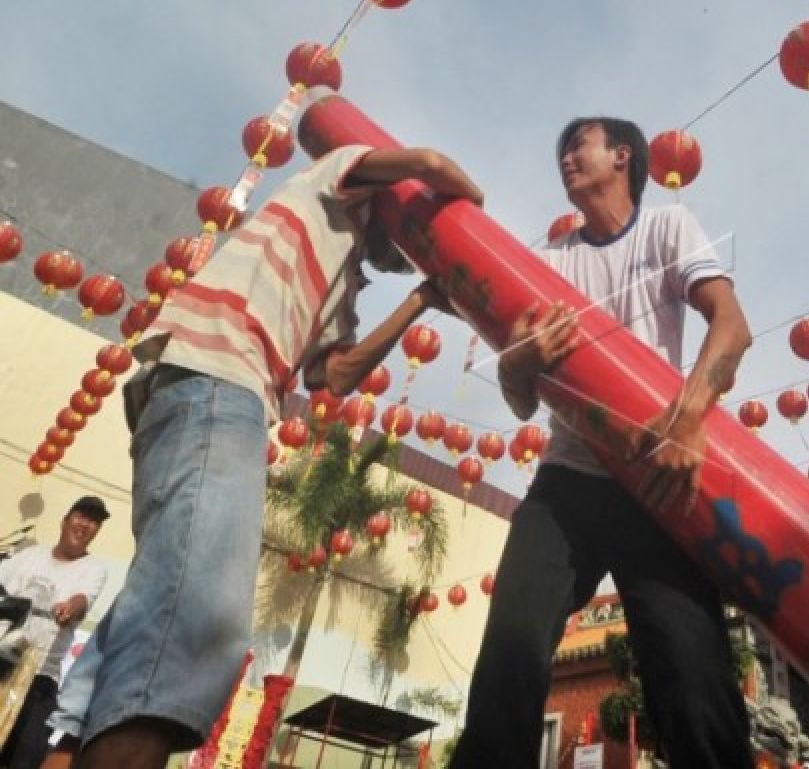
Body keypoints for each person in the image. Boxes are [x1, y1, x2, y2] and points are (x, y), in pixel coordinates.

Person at [41, 143, 482, 769]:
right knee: (199, 618)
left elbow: (336, 377)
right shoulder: (333, 185)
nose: (410, 259)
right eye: (413, 241)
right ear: (396, 211)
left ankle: (64, 743)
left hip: (205, 390)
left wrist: (420, 303)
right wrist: (472, 224)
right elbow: (432, 165)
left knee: (162, 593)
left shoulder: (345, 276)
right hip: (218, 378)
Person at [450, 118, 755, 768]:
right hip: (568, 482)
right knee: (510, 646)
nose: (564, 157)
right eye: (559, 149)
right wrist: (519, 359)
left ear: (622, 156)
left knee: (693, 681)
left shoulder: (666, 228)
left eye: (576, 145)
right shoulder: (550, 264)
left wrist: (690, 417)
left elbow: (731, 326)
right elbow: (519, 392)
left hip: (658, 481)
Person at [0, 497, 108, 769]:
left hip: (40, 677)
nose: (85, 524)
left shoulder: (93, 569)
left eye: (94, 521)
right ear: (65, 520)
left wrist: (72, 607)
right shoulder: (28, 557)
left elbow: (82, 599)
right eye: (81, 516)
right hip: (3, 665)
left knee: (26, 756)